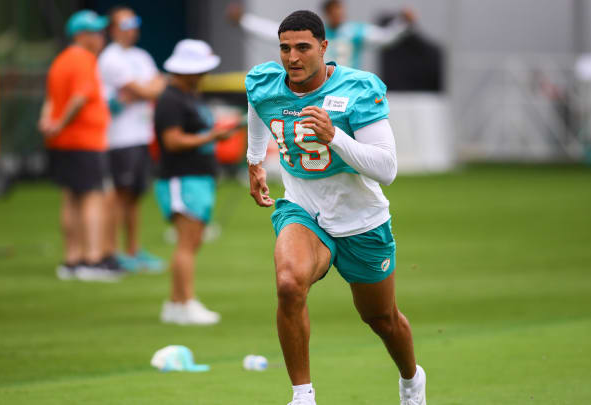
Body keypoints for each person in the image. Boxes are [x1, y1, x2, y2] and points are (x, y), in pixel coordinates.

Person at [245, 10, 425, 405]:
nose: (293, 57)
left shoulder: (358, 89)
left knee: (381, 319)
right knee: (289, 284)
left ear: (324, 48)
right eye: (285, 48)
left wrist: (335, 137)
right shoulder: (265, 81)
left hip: (361, 220)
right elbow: (257, 106)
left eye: (303, 48)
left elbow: (387, 169)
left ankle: (412, 381)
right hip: (302, 209)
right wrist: (254, 159)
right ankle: (302, 396)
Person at [153, 40, 236, 325]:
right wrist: (212, 137)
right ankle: (184, 302)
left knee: (193, 240)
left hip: (197, 177)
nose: (203, 75)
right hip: (181, 177)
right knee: (186, 243)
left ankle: (176, 303)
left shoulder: (190, 96)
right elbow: (172, 141)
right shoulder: (171, 99)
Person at [39, 10, 124, 282]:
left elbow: (51, 99)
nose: (100, 37)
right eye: (95, 32)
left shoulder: (60, 61)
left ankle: (72, 260)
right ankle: (92, 259)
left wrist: (49, 124)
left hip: (64, 142)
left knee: (72, 198)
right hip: (85, 140)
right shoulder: (84, 60)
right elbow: (78, 99)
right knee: (92, 197)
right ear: (81, 35)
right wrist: (61, 123)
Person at [98, 6, 166, 272]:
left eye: (134, 24)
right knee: (119, 194)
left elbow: (156, 87)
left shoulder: (142, 55)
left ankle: (133, 250)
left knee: (135, 196)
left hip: (141, 135)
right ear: (113, 29)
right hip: (119, 138)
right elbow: (145, 88)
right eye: (125, 25)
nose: (131, 30)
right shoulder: (110, 58)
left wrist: (141, 91)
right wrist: (144, 90)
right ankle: (113, 251)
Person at [226, 0, 415, 69]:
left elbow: (385, 38)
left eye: (341, 9)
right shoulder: (315, 31)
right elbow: (272, 31)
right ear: (327, 12)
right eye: (335, 10)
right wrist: (244, 20)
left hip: (347, 84)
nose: (339, 14)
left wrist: (402, 23)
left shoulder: (355, 32)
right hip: (319, 84)